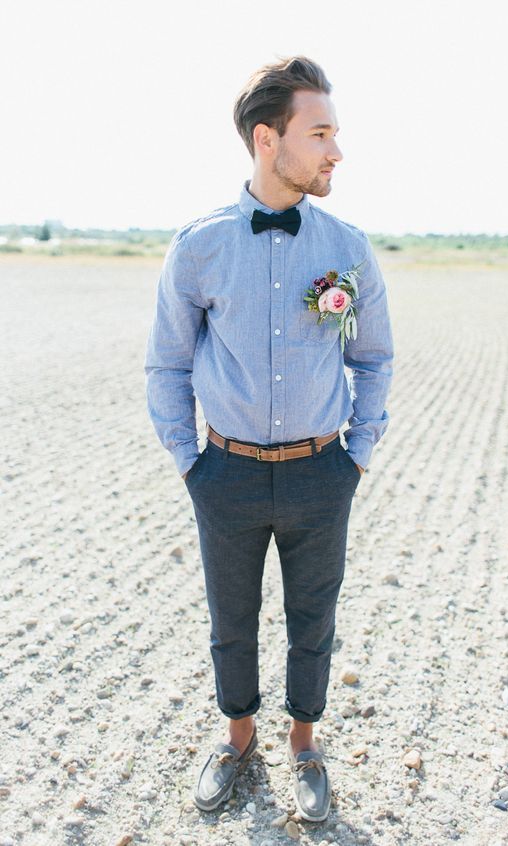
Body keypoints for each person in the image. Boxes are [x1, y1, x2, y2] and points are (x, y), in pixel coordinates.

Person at [144, 54, 394, 821]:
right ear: (266, 139)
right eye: (319, 133)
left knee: (315, 615)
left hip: (323, 472)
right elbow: (168, 362)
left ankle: (305, 747)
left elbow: (373, 356)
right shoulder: (200, 246)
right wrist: (192, 462)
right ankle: (238, 737)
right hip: (227, 472)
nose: (336, 151)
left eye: (335, 133)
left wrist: (355, 453)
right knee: (232, 617)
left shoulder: (347, 248)